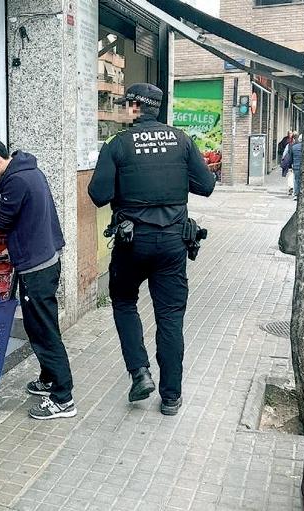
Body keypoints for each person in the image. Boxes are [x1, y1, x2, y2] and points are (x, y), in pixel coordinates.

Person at [88, 83, 216, 416]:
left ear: (134, 107)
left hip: (132, 243)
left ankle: (140, 372)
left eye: (125, 104)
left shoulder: (117, 144)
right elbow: (206, 185)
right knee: (170, 317)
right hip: (173, 243)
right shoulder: (182, 140)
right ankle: (171, 396)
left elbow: (98, 195)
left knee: (124, 302)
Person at [0, 131, 75, 421]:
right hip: (45, 259)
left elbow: (1, 220)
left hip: (36, 266)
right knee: (40, 325)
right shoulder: (29, 171)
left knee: (43, 331)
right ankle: (49, 379)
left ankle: (63, 398)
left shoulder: (16, 181)